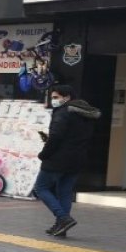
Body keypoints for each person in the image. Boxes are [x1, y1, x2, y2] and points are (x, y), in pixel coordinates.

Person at [35, 85, 100, 238]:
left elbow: (56, 137)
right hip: (77, 158)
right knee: (65, 191)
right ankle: (61, 226)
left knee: (41, 188)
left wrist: (44, 154)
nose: (53, 100)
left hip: (58, 158)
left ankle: (63, 218)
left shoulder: (63, 113)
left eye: (56, 97)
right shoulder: (86, 114)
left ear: (67, 97)